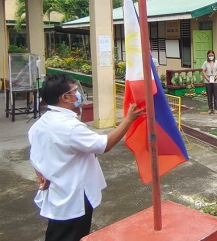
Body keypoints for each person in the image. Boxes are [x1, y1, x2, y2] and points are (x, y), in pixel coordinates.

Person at [28, 74, 145, 241]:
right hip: (73, 196)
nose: (78, 94)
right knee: (71, 234)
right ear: (65, 97)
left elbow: (35, 152)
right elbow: (104, 145)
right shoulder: (69, 127)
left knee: (56, 233)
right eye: (75, 91)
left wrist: (39, 172)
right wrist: (128, 120)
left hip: (58, 193)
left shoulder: (41, 123)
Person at [200, 50, 217, 114]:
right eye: (209, 55)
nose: (211, 56)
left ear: (214, 55)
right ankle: (210, 108)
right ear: (207, 56)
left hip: (215, 80)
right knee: (209, 94)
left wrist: (216, 77)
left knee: (216, 94)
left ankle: (215, 108)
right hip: (208, 80)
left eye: (212, 55)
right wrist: (207, 78)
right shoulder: (205, 63)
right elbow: (203, 71)